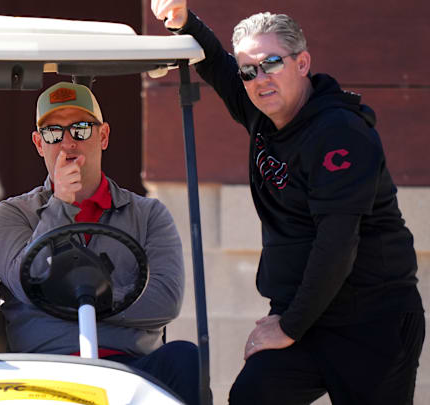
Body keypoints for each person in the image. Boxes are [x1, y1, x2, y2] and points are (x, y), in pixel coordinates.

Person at [152, 1, 425, 404]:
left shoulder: (340, 133)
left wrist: (289, 327)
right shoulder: (263, 110)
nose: (260, 79)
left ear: (303, 63)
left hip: (372, 322)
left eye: (271, 63)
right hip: (308, 317)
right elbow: (219, 66)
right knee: (254, 395)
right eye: (250, 70)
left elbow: (337, 245)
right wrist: (183, 21)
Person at [0, 81, 200, 404]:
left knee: (185, 358)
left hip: (128, 371)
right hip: (44, 372)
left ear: (103, 136)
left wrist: (88, 298)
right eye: (54, 133)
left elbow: (165, 299)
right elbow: (28, 283)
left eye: (82, 129)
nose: (68, 143)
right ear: (39, 143)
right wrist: (60, 205)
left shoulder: (148, 214)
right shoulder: (12, 215)